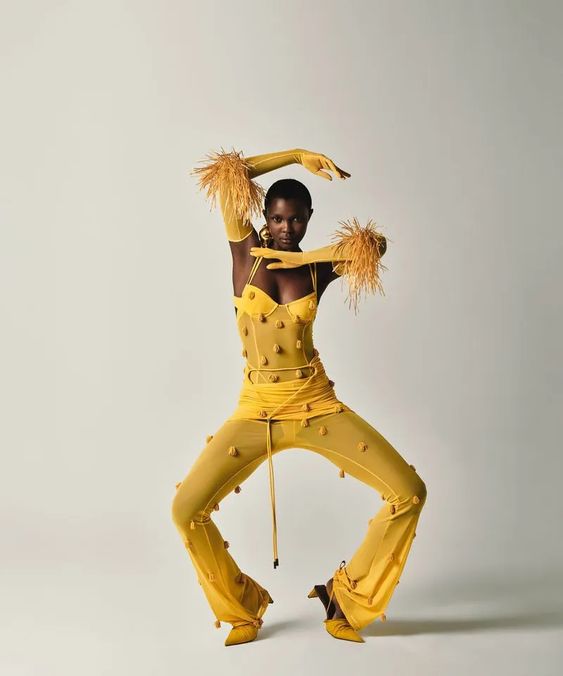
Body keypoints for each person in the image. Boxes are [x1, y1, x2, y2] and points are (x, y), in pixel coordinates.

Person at [171, 147, 427, 646]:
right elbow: (231, 176)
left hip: (316, 407)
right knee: (185, 510)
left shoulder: (315, 269)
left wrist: (304, 258)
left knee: (409, 492)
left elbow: (374, 246)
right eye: (276, 218)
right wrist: (294, 155)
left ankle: (343, 598)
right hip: (256, 411)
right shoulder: (244, 253)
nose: (285, 228)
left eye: (296, 219)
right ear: (265, 216)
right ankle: (243, 606)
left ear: (309, 218)